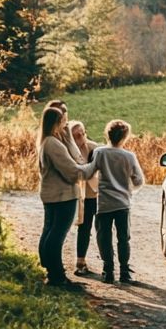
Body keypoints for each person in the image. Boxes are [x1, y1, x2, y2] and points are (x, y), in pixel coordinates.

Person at [37, 104, 97, 289]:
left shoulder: (46, 141)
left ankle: (52, 271)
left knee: (49, 231)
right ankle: (57, 275)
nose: (66, 124)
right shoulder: (54, 144)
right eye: (63, 120)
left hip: (52, 194)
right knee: (57, 235)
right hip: (62, 195)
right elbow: (72, 172)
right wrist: (93, 167)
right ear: (56, 122)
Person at [93, 120, 145, 284]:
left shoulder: (99, 153)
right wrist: (128, 188)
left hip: (103, 202)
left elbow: (91, 171)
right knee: (123, 238)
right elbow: (138, 180)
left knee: (104, 236)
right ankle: (124, 272)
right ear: (125, 137)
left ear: (107, 134)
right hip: (122, 203)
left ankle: (108, 270)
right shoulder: (129, 156)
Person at [69, 120, 100, 275]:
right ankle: (80, 261)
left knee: (101, 228)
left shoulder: (95, 149)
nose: (81, 137)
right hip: (77, 195)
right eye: (76, 135)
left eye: (82, 133)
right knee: (84, 227)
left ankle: (108, 263)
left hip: (95, 194)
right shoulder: (67, 151)